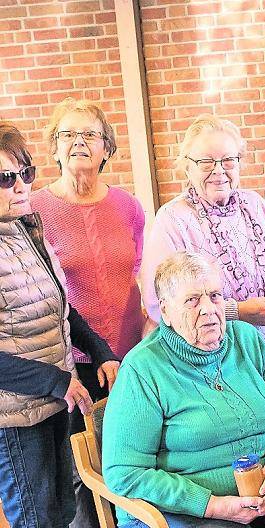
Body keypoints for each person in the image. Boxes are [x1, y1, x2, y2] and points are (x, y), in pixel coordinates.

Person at [102, 251, 265, 528]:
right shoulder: (143, 369)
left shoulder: (246, 340)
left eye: (215, 296)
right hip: (186, 507)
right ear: (166, 311)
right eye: (192, 300)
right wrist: (211, 505)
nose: (208, 308)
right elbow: (125, 473)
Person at [30, 97, 146, 528]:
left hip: (131, 356)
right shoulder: (35, 211)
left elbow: (134, 271)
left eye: (90, 135)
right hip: (75, 363)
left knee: (133, 456)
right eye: (68, 135)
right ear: (54, 148)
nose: (79, 143)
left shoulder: (129, 207)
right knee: (85, 470)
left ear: (106, 149)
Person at [0, 122, 118, 528]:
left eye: (25, 173)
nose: (20, 186)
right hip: (14, 418)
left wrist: (100, 350)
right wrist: (55, 380)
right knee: (37, 519)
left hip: (54, 399)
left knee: (65, 510)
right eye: (5, 178)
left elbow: (61, 307)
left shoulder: (24, 228)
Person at [140, 114, 265, 359]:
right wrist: (236, 311)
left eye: (228, 160)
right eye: (206, 162)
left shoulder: (256, 206)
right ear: (187, 166)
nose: (219, 171)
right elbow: (158, 306)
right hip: (208, 365)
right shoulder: (173, 220)